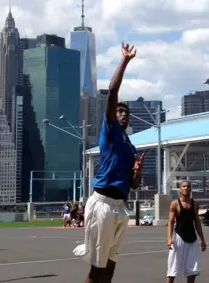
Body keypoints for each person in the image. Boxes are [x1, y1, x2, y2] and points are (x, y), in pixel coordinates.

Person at [73, 43, 145, 283]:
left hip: (120, 208)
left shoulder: (130, 146)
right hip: (102, 204)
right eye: (120, 111)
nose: (124, 114)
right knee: (97, 269)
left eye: (127, 113)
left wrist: (138, 171)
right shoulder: (111, 130)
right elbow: (113, 91)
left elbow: (135, 185)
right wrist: (125, 61)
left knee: (110, 267)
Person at [167, 181, 207, 283]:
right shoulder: (175, 204)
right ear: (180, 189)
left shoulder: (195, 204)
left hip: (192, 239)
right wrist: (169, 239)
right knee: (173, 269)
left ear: (190, 189)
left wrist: (202, 240)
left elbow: (197, 223)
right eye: (184, 186)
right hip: (178, 238)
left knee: (192, 269)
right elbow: (171, 222)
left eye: (188, 186)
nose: (186, 188)